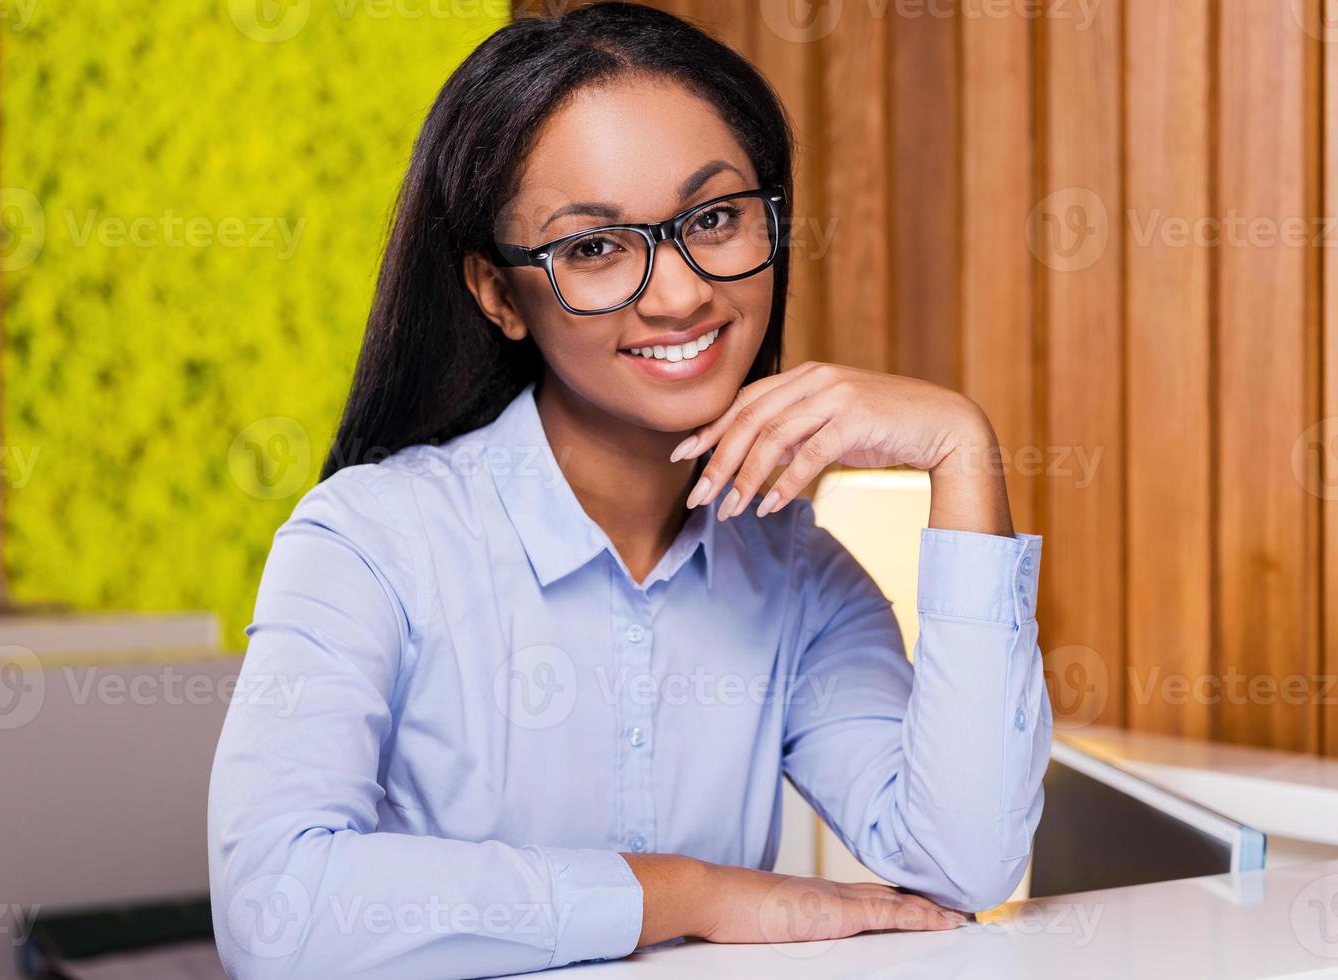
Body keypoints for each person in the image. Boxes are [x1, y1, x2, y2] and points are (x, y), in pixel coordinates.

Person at [208, 4, 1052, 977]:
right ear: (495, 291)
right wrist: (688, 892)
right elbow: (276, 910)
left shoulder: (793, 568)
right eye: (595, 248)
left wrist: (961, 449)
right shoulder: (366, 542)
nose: (680, 292)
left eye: (713, 218)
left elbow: (963, 856)